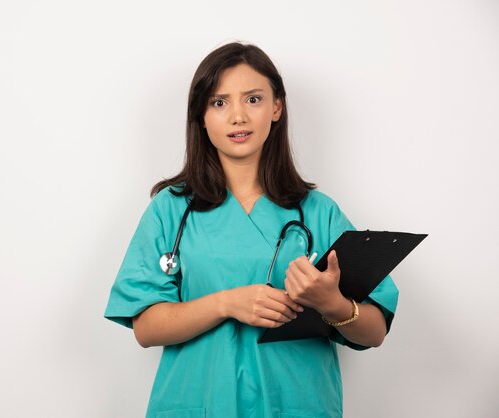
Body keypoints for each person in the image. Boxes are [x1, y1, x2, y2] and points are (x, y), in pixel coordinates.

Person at [104, 42, 398, 418]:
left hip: (297, 407)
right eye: (219, 103)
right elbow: (145, 327)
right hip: (197, 406)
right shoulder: (171, 210)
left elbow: (374, 332)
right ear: (202, 116)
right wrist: (227, 303)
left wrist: (331, 303)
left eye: (254, 99)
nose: (238, 116)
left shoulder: (318, 213)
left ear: (277, 107)